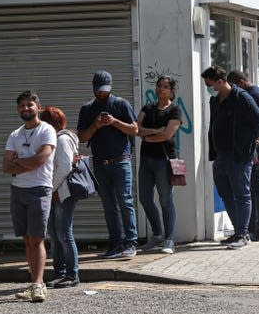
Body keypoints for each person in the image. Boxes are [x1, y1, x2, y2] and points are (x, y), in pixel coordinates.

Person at [77, 71, 139, 259]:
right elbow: (81, 137)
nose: (101, 94)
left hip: (120, 161)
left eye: (104, 90)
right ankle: (115, 244)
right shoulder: (87, 109)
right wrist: (95, 125)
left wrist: (114, 122)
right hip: (99, 162)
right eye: (98, 90)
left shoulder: (121, 104)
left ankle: (131, 243)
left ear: (111, 87)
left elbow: (135, 129)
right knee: (109, 205)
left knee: (125, 201)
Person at [2, 91, 56, 302]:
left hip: (39, 188)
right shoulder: (15, 135)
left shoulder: (47, 130)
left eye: (29, 105)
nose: (26, 108)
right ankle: (37, 282)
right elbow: (6, 167)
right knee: (26, 240)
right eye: (22, 105)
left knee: (37, 238)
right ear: (18, 109)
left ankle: (37, 284)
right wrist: (26, 162)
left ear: (39, 108)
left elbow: (41, 160)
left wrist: (19, 162)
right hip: (18, 190)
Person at [202, 65, 259, 250]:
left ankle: (243, 234)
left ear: (220, 82)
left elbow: (258, 122)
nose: (208, 88)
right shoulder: (215, 100)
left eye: (209, 84)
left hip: (239, 155)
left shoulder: (241, 98)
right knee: (225, 193)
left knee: (241, 193)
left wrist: (250, 145)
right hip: (220, 154)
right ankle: (238, 231)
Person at [227, 70, 259, 241]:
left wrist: (255, 148)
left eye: (233, 85)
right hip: (256, 145)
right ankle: (254, 227)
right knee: (253, 185)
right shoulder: (255, 93)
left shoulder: (256, 95)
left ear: (240, 82)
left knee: (257, 184)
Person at [137, 76, 182, 254]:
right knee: (145, 199)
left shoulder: (175, 110)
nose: (161, 89)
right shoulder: (147, 108)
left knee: (165, 200)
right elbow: (136, 128)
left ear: (171, 91)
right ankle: (157, 234)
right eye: (159, 86)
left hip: (165, 161)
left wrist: (147, 137)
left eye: (165, 87)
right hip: (146, 159)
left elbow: (167, 135)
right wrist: (155, 131)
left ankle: (169, 239)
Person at [39, 106, 81, 288]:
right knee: (55, 235)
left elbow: (64, 168)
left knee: (64, 234)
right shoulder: (55, 139)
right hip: (56, 194)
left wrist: (50, 188)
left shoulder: (63, 140)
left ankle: (72, 274)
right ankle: (60, 273)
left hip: (62, 194)